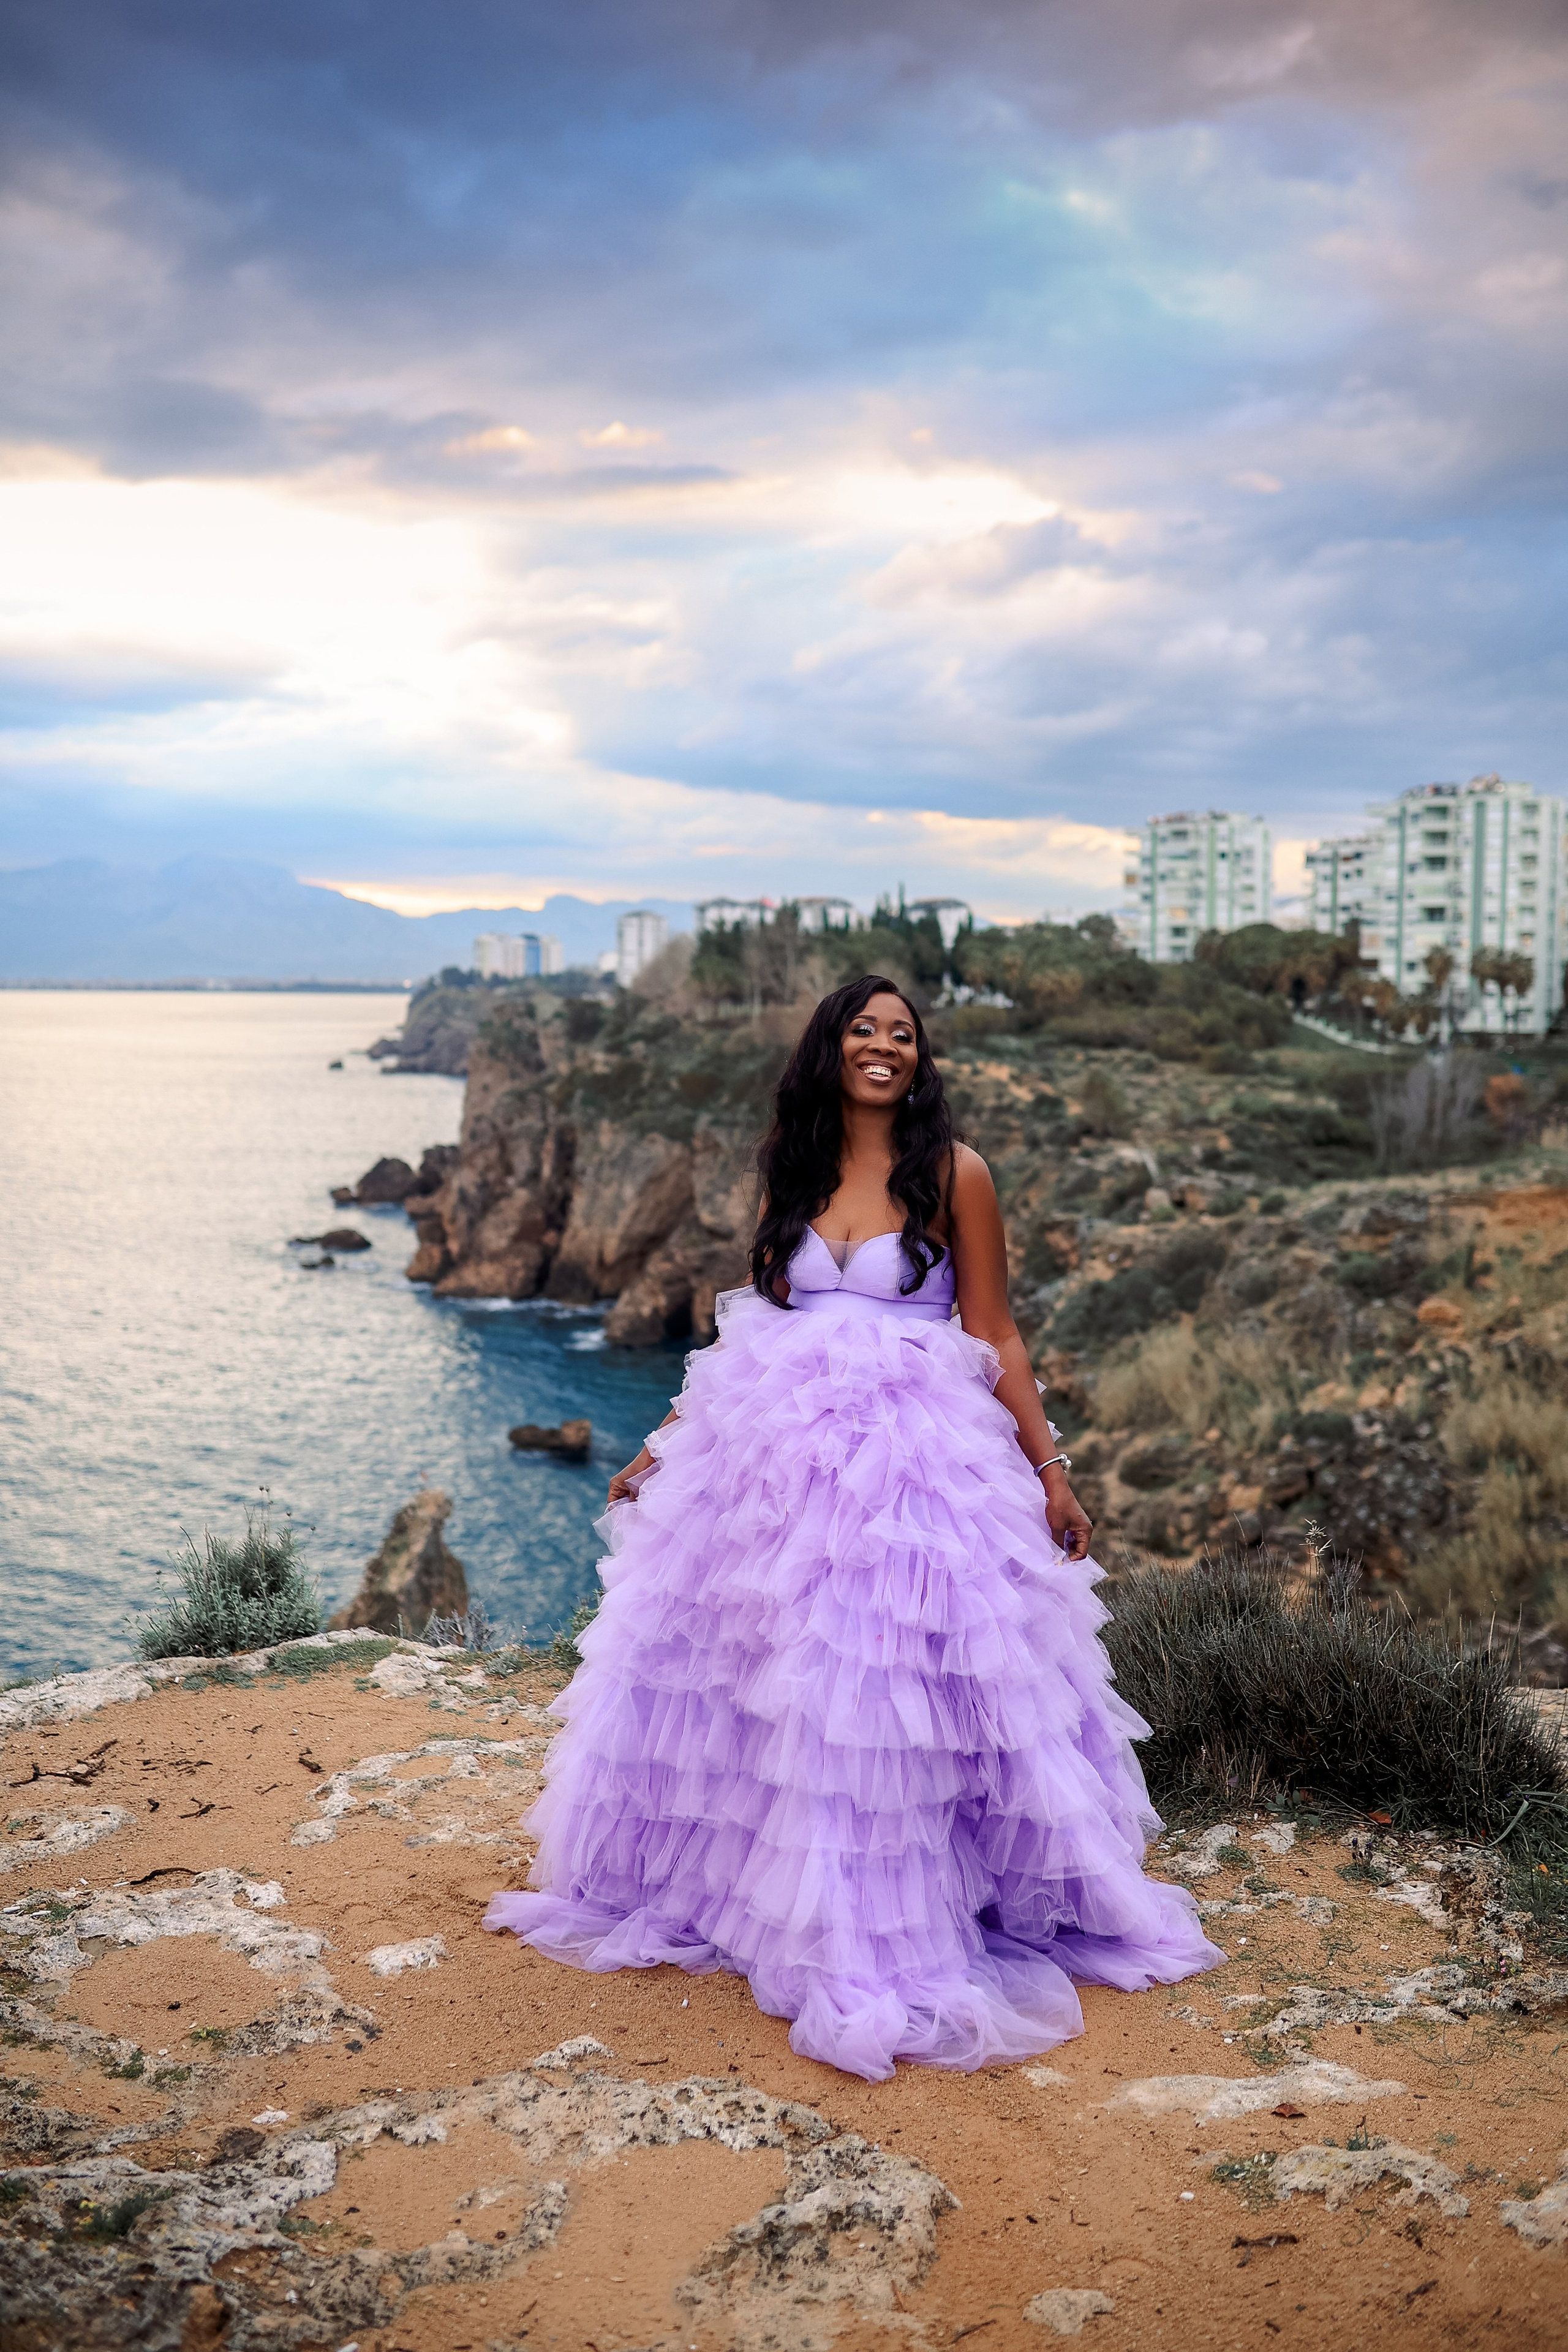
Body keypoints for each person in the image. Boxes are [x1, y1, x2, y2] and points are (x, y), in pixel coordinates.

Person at [484, 976, 1222, 2080]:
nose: (884, 1047)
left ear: (921, 1059)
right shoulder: (795, 1167)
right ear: (830, 1049)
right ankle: (770, 1904)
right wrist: (665, 1438)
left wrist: (1051, 1469)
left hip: (912, 1470)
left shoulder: (954, 1172)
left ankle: (889, 1924)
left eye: (903, 1035)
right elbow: (752, 1328)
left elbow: (996, 1332)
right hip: (773, 1465)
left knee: (887, 1694)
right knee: (767, 1678)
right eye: (864, 1030)